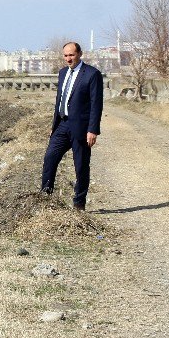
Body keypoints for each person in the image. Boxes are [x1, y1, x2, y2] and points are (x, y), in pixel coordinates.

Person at [40, 42, 103, 211]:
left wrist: (93, 130)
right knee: (50, 158)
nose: (68, 59)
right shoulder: (62, 73)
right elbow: (60, 100)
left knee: (81, 165)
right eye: (66, 56)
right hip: (62, 125)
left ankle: (79, 203)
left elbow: (96, 104)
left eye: (72, 55)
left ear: (80, 54)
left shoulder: (92, 74)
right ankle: (45, 198)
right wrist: (54, 125)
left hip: (81, 128)